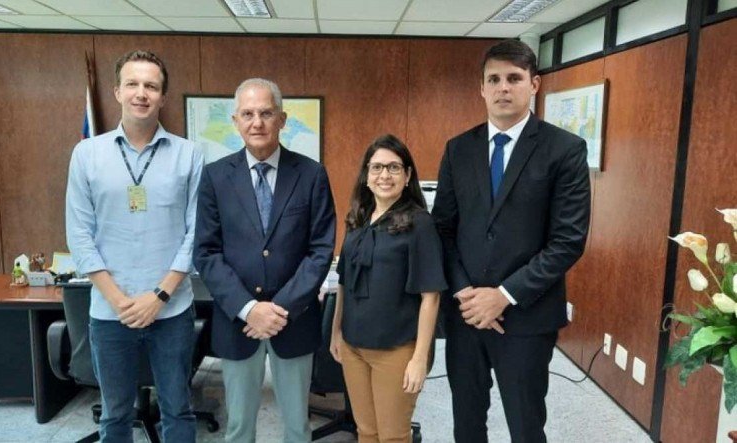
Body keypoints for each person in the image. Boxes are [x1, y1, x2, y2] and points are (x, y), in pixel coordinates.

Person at [431, 39, 591, 443]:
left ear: (534, 84)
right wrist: (467, 291)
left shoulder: (565, 150)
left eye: (514, 78)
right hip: (466, 315)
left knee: (525, 425)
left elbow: (568, 240)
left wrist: (503, 295)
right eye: (494, 79)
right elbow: (443, 230)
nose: (504, 87)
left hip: (527, 316)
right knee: (466, 423)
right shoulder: (458, 149)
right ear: (481, 88)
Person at [65, 50, 204, 442]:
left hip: (172, 310)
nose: (141, 93)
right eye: (133, 84)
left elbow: (195, 234)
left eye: (151, 86)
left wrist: (158, 297)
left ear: (162, 96)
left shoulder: (189, 155)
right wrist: (117, 299)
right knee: (115, 415)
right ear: (117, 92)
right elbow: (79, 233)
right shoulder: (87, 154)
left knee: (178, 409)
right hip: (111, 313)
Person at [193, 78, 336, 442]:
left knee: (297, 427)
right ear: (236, 120)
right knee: (239, 427)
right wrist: (248, 308)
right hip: (238, 322)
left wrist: (279, 309)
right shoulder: (214, 177)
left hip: (295, 319)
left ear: (283, 119)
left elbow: (320, 251)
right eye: (248, 114)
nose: (257, 122)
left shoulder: (311, 174)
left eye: (266, 113)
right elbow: (207, 252)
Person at [330, 134, 445, 443]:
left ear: (407, 176)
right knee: (366, 432)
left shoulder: (419, 223)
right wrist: (336, 332)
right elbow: (343, 281)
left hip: (396, 350)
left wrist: (420, 358)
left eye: (394, 168)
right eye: (377, 167)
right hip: (354, 347)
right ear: (366, 175)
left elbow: (430, 296)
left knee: (393, 436)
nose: (384, 175)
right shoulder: (358, 218)